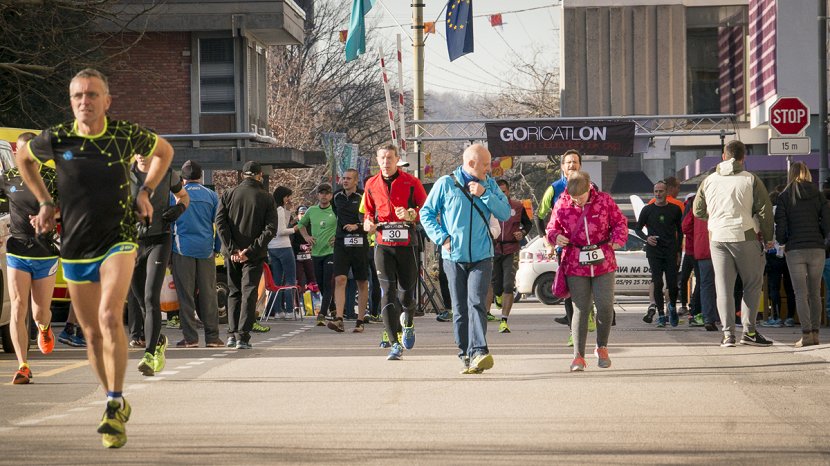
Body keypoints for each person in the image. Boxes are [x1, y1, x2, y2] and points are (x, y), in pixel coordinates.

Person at [17, 68, 174, 448]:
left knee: (108, 316)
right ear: (71, 101)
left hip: (119, 238)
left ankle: (114, 402)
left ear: (107, 100)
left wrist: (145, 191)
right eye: (78, 96)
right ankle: (113, 399)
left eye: (92, 94)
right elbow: (24, 158)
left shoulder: (124, 134)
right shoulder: (57, 137)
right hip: (75, 246)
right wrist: (44, 201)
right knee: (90, 334)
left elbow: (164, 151)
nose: (84, 101)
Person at [421, 144, 510, 373]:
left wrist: (485, 194)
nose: (489, 168)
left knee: (476, 303)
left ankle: (479, 350)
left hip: (482, 256)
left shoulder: (490, 184)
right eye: (486, 164)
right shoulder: (446, 184)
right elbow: (426, 213)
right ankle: (465, 353)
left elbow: (504, 212)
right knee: (460, 309)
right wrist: (442, 238)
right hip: (453, 257)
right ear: (471, 163)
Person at [693, 140, 774, 348]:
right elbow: (764, 211)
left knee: (723, 288)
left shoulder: (708, 180)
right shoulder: (750, 179)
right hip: (744, 235)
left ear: (723, 157)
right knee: (752, 285)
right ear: (743, 158)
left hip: (717, 237)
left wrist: (716, 218)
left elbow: (697, 210)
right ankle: (749, 332)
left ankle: (728, 335)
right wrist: (768, 237)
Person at [547, 171, 627, 371]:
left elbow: (620, 222)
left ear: (589, 187)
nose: (578, 201)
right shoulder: (562, 203)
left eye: (581, 197)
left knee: (605, 306)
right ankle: (578, 357)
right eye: (574, 198)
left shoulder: (604, 201)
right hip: (575, 262)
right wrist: (555, 236)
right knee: (581, 309)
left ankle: (602, 347)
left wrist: (618, 239)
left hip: (604, 260)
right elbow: (551, 228)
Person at [1, 132, 60, 384]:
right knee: (17, 306)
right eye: (22, 151)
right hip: (17, 250)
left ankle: (44, 329)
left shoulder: (52, 177)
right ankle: (22, 365)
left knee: (39, 313)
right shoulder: (8, 178)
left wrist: (48, 216)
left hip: (44, 252)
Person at [363, 144, 427, 360]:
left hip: (407, 245)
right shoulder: (371, 184)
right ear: (377, 160)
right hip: (383, 243)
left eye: (390, 157)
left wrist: (410, 214)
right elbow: (368, 212)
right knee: (387, 292)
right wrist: (368, 223)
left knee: (405, 295)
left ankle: (408, 320)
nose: (386, 162)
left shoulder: (411, 182)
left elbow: (426, 209)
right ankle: (394, 343)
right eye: (382, 158)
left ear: (397, 159)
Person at [129, 151, 189, 376]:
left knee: (150, 297)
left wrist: (179, 208)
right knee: (141, 302)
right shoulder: (125, 174)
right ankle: (159, 340)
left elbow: (184, 197)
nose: (141, 155)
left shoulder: (167, 174)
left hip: (159, 240)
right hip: (133, 243)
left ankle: (149, 353)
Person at [216, 161, 278, 349]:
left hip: (232, 254)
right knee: (249, 292)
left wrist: (232, 249)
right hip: (254, 255)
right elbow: (270, 229)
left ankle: (231, 334)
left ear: (243, 175)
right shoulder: (266, 197)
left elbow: (220, 223)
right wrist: (250, 250)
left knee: (233, 292)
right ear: (259, 176)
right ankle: (243, 336)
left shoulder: (228, 194)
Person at [774, 161, 830, 347]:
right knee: (815, 293)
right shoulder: (818, 194)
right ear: (807, 173)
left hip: (795, 249)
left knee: (800, 293)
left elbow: (780, 226)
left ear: (791, 174)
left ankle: (806, 334)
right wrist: (822, 238)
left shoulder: (784, 196)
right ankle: (815, 334)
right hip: (817, 248)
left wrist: (783, 241)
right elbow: (827, 222)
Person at [535, 149, 588, 344]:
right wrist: (548, 241)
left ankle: (590, 316)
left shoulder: (591, 187)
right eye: (568, 162)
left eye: (575, 162)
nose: (572, 165)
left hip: (589, 248)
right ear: (562, 167)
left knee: (589, 287)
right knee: (569, 290)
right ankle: (573, 332)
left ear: (580, 165)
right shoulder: (554, 189)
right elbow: (540, 216)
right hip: (565, 249)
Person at [171, 160, 224, 348]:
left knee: (186, 295)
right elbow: (220, 224)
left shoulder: (175, 195)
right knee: (209, 294)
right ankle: (212, 337)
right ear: (201, 176)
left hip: (182, 249)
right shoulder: (211, 196)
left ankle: (190, 338)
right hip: (206, 250)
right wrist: (216, 248)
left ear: (182, 178)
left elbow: (169, 223)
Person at [486, 179, 532, 333]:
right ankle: (497, 297)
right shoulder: (489, 205)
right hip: (494, 249)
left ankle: (504, 320)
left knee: (508, 285)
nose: (501, 194)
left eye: (504, 191)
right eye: (498, 192)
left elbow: (528, 224)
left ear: (509, 191)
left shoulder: (517, 206)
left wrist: (522, 233)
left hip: (511, 248)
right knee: (495, 284)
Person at [636, 180, 683, 327]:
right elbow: (637, 229)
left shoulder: (675, 209)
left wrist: (678, 251)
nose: (658, 194)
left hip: (670, 250)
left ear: (666, 192)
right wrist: (647, 238)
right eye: (656, 191)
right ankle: (661, 314)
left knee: (672, 283)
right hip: (654, 251)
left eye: (661, 191)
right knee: (657, 282)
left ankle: (672, 307)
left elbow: (680, 231)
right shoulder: (647, 210)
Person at [328, 169, 370, 333]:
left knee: (362, 281)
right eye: (343, 178)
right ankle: (339, 319)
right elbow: (336, 213)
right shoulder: (336, 196)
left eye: (349, 179)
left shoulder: (363, 196)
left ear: (356, 181)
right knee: (340, 278)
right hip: (341, 242)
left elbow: (370, 218)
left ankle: (360, 320)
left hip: (360, 242)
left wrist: (357, 226)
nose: (345, 181)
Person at [297, 184, 337, 325]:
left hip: (331, 252)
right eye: (321, 193)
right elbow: (301, 225)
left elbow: (343, 224)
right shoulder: (311, 210)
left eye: (327, 193)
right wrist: (306, 237)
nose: (324, 195)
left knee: (327, 282)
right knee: (319, 282)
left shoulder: (335, 210)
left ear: (331, 195)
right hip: (316, 252)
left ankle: (322, 313)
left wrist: (338, 236)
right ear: (318, 195)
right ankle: (332, 306)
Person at [682, 193, 719, 331]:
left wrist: (697, 235)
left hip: (702, 248)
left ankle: (708, 318)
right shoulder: (721, 202)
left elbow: (685, 227)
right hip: (721, 247)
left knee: (705, 284)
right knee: (725, 284)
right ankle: (727, 317)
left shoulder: (697, 205)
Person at [761, 190, 796, 328]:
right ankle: (790, 317)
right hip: (789, 253)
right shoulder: (788, 213)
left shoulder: (769, 214)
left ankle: (775, 317)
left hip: (773, 253)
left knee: (774, 287)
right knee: (790, 286)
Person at [267, 186, 298, 319]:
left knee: (277, 280)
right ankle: (290, 310)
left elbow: (282, 224)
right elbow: (282, 230)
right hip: (284, 247)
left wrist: (288, 210)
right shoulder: (279, 210)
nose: (289, 199)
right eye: (288, 196)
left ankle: (278, 310)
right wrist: (295, 229)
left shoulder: (271, 209)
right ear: (283, 197)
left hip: (272, 247)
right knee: (290, 279)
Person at [291, 205, 315, 291]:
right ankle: (298, 298)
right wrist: (300, 246)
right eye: (301, 213)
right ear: (297, 215)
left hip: (310, 256)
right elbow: (290, 243)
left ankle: (313, 297)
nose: (303, 215)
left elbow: (317, 239)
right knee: (298, 280)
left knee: (312, 279)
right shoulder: (293, 226)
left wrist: (311, 246)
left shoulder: (312, 225)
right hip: (296, 256)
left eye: (305, 213)